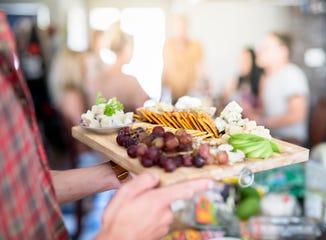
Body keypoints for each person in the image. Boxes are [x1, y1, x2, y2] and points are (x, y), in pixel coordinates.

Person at [0, 11, 213, 239]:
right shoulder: (130, 80)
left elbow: (22, 188)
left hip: (106, 155)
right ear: (127, 50)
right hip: (118, 153)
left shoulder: (96, 78)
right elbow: (152, 114)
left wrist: (114, 172)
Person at [243, 32, 309, 145]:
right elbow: (267, 110)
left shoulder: (291, 74)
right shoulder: (267, 77)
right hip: (272, 137)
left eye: (265, 48)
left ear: (282, 52)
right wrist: (250, 112)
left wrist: (261, 121)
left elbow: (298, 114)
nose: (258, 52)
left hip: (289, 141)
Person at [86, 23, 149, 112]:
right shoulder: (130, 82)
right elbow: (143, 112)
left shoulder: (94, 79)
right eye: (132, 48)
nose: (133, 53)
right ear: (127, 48)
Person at [162, 15, 204, 103]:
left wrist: (198, 83)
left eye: (183, 27)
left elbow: (200, 68)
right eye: (177, 27)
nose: (180, 30)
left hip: (191, 94)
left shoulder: (196, 46)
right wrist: (163, 89)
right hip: (171, 93)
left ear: (187, 28)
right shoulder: (167, 45)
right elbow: (165, 68)